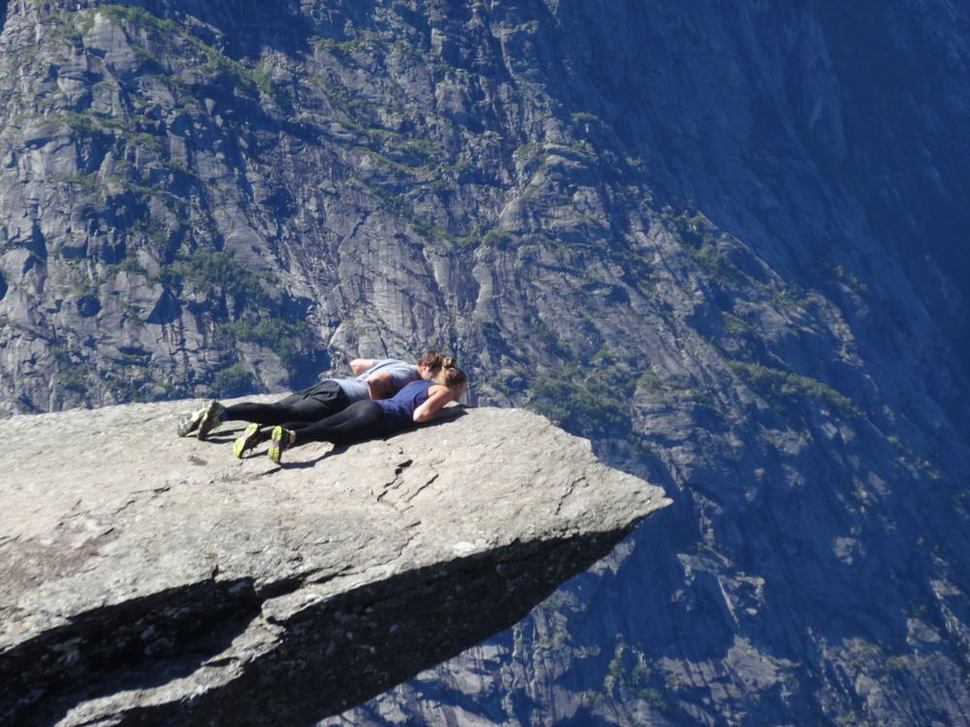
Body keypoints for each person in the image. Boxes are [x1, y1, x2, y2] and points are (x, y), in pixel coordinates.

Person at [177, 352, 446, 454]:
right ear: (423, 365)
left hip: (331, 385)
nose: (432, 379)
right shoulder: (408, 373)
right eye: (432, 373)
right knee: (281, 414)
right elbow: (376, 383)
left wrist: (362, 380)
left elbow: (357, 364)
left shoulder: (395, 361)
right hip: (342, 398)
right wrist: (381, 399)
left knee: (280, 410)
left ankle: (233, 420)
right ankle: (223, 413)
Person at [262, 359, 467, 465]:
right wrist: (440, 412)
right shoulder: (445, 391)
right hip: (381, 418)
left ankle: (266, 434)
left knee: (323, 424)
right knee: (337, 434)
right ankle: (291, 437)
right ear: (456, 386)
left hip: (366, 405)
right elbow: (419, 415)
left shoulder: (418, 382)